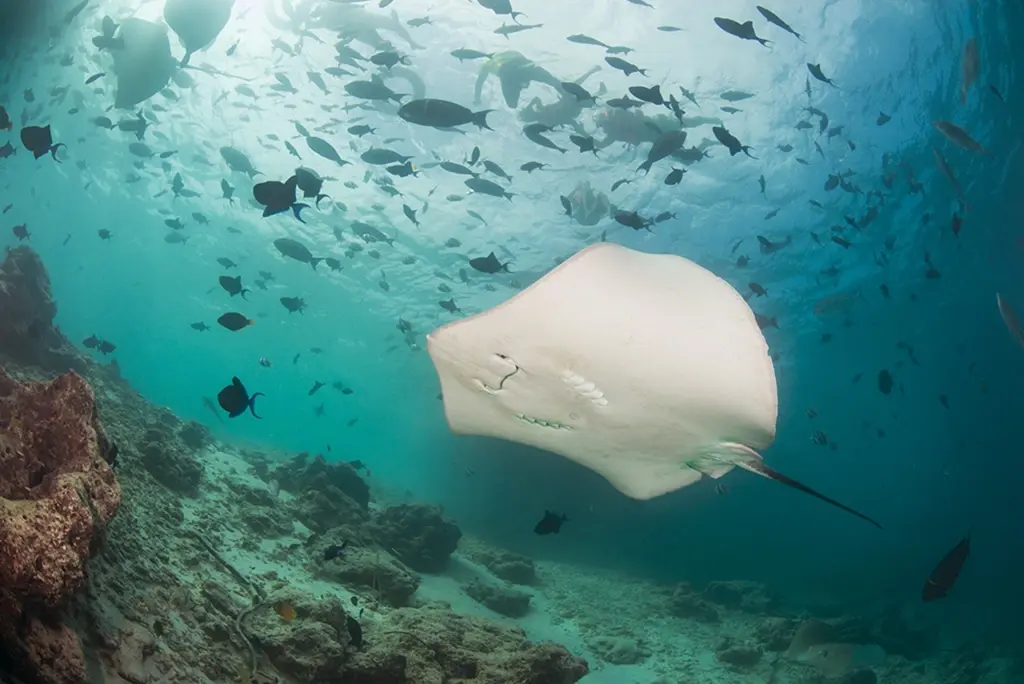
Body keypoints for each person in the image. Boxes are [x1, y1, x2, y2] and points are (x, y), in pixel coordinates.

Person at [474, 50, 563, 109]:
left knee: (512, 104)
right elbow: (521, 58)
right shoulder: (507, 52)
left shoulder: (486, 65)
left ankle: (520, 83)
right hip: (523, 63)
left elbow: (479, 83)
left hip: (506, 72)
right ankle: (565, 90)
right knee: (550, 80)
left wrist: (477, 99)